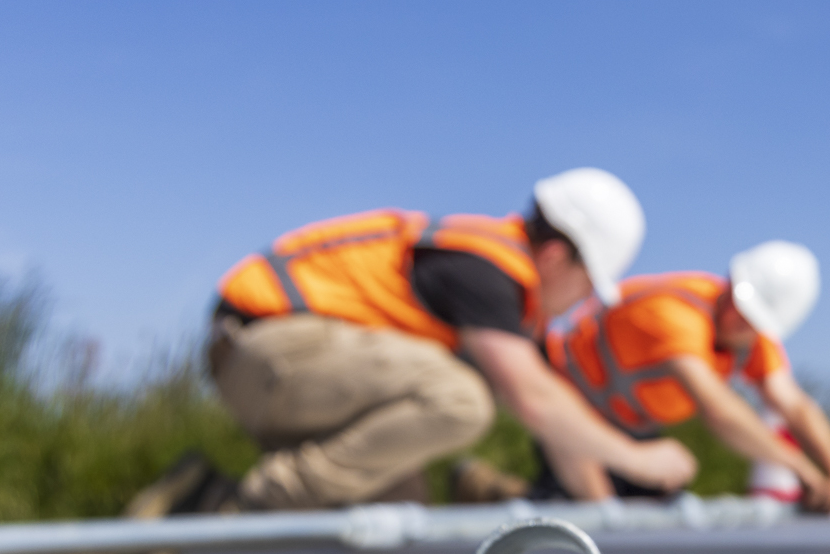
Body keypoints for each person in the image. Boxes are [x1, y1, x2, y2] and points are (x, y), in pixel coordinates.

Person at [136, 169, 697, 515]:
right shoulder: (486, 267)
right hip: (265, 349)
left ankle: (201, 498)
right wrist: (641, 461)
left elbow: (561, 427)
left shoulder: (510, 295)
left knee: (402, 516)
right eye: (584, 284)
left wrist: (605, 518)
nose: (582, 303)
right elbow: (536, 401)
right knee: (461, 400)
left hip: (293, 370)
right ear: (555, 258)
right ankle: (251, 502)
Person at [541, 240, 830, 516]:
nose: (735, 318)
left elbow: (794, 404)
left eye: (750, 319)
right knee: (598, 516)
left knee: (659, 491)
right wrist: (799, 466)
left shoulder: (753, 340)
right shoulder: (675, 314)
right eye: (736, 300)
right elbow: (720, 410)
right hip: (562, 403)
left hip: (626, 425)